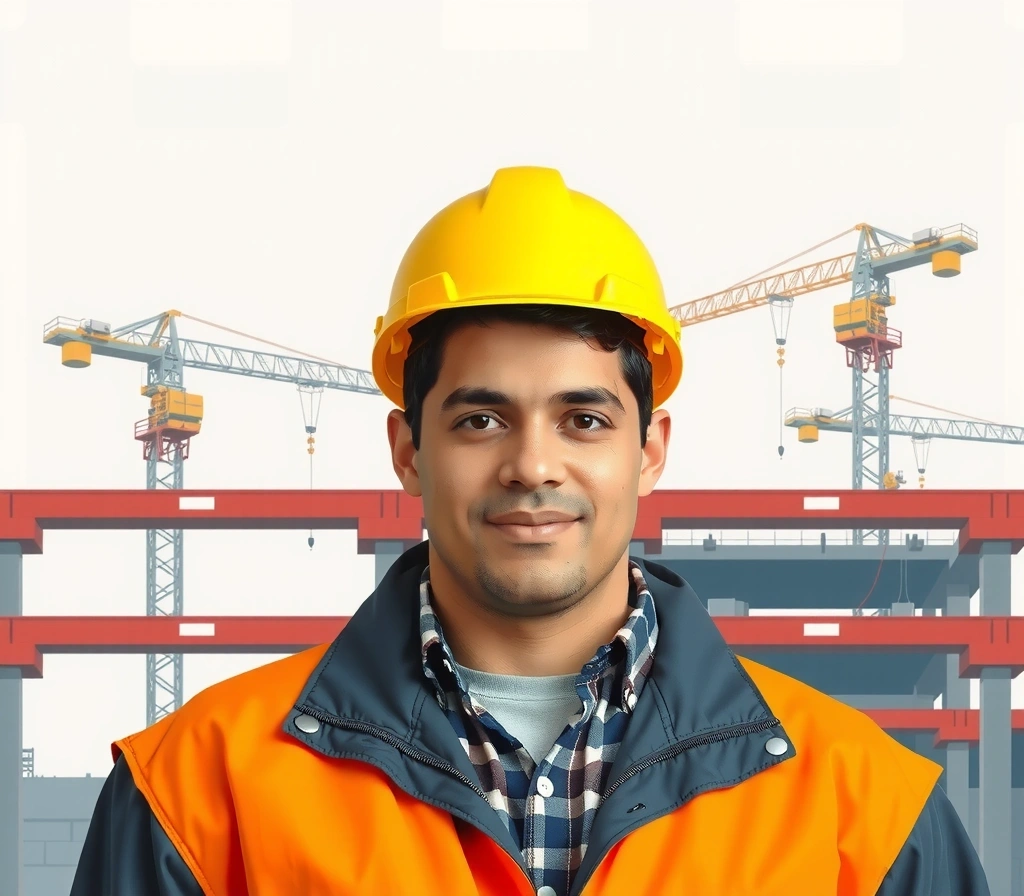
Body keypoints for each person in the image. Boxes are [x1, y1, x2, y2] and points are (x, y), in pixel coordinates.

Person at [70, 166, 990, 896]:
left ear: (650, 448)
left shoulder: (865, 813)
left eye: (583, 420)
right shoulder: (196, 794)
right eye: (480, 420)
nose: (533, 466)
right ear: (407, 448)